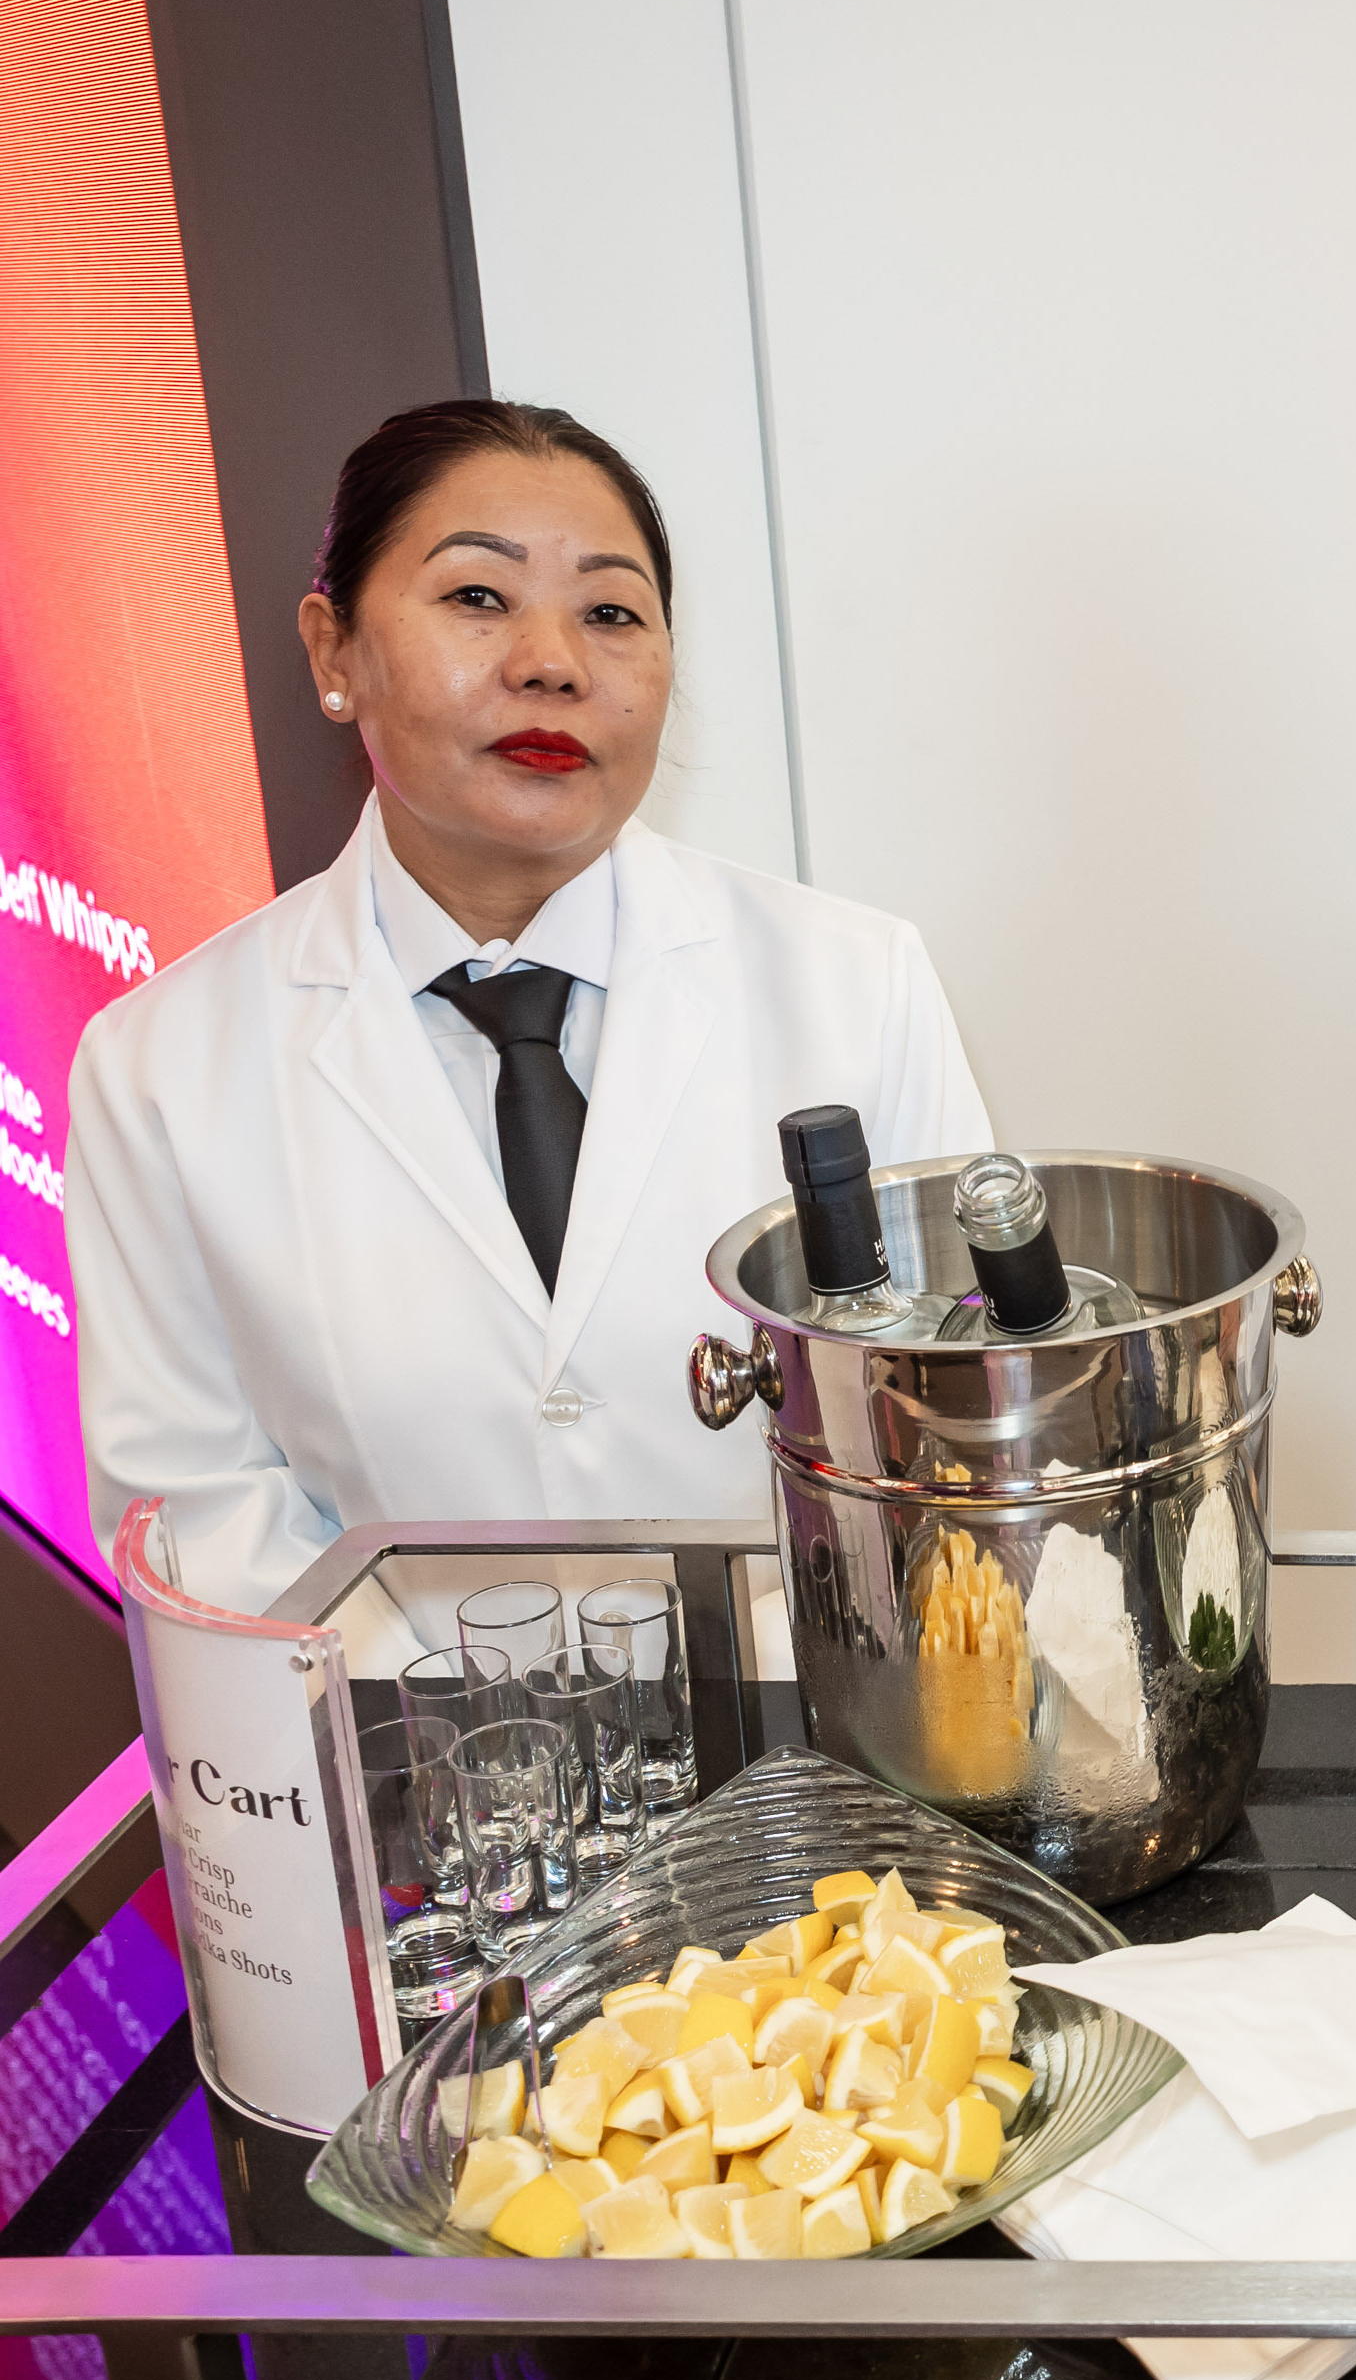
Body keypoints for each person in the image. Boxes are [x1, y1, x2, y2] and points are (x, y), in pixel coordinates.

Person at [66, 400, 993, 1615]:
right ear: (333, 652)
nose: (552, 661)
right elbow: (195, 1513)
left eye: (611, 612)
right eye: (477, 599)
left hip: (810, 1753)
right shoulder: (161, 1066)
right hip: (404, 1765)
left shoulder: (854, 983)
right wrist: (479, 1728)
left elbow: (964, 1425)